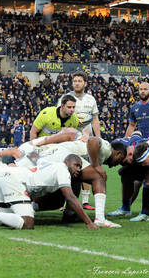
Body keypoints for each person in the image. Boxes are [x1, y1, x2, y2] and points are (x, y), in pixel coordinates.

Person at [0, 154, 99, 230]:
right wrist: (89, 222)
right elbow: (70, 197)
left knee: (7, 221)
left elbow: (35, 156)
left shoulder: (49, 163)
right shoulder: (63, 169)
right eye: (76, 165)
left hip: (2, 178)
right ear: (67, 162)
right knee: (27, 223)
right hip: (14, 181)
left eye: (80, 167)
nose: (78, 169)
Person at [58, 71, 100, 210]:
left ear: (85, 83)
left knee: (86, 166)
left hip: (86, 138)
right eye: (75, 80)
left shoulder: (91, 99)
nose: (77, 83)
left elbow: (95, 120)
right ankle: (66, 201)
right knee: (68, 168)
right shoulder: (65, 98)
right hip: (69, 139)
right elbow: (59, 117)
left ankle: (85, 201)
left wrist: (97, 138)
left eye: (79, 81)